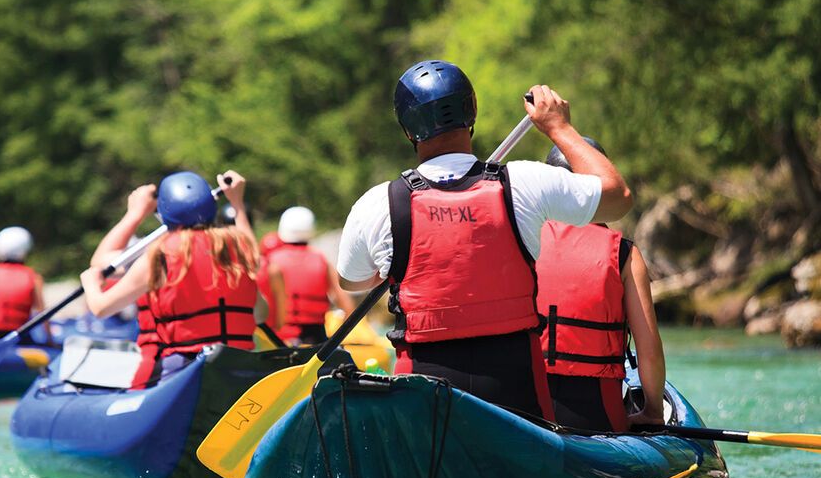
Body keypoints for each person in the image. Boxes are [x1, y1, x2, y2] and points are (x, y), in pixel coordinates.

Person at [336, 60, 633, 419]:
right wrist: (560, 128)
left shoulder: (377, 204)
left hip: (425, 393)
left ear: (407, 131)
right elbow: (618, 197)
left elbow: (351, 282)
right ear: (470, 113)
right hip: (516, 391)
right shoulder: (525, 182)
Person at [80, 170, 262, 389]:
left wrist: (135, 214)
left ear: (165, 214)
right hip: (239, 366)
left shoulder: (159, 255)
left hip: (183, 370)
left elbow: (101, 306)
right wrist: (238, 204)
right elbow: (261, 310)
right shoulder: (237, 247)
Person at [535, 140, 665, 430]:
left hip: (524, 409)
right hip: (597, 416)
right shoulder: (624, 254)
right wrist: (653, 412)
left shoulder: (520, 239)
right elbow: (649, 351)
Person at [259, 206, 355, 345]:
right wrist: (333, 342)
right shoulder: (322, 261)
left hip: (280, 341)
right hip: (317, 340)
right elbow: (349, 308)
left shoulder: (271, 260)